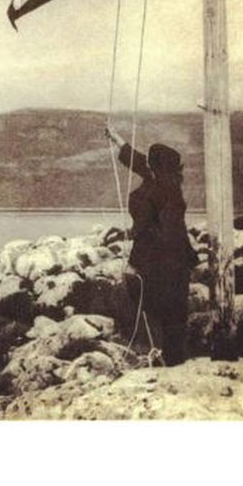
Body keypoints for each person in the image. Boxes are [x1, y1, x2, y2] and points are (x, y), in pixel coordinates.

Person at [105, 126, 197, 365]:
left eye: (150, 160)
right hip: (164, 259)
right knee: (165, 311)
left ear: (157, 166)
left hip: (166, 262)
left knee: (168, 312)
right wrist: (118, 141)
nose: (146, 162)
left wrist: (133, 239)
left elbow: (166, 230)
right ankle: (167, 356)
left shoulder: (167, 193)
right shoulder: (160, 177)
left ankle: (171, 360)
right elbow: (139, 161)